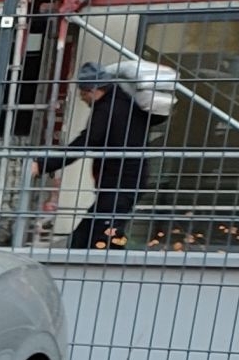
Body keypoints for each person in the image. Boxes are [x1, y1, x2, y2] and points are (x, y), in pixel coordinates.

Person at [37, 62, 157, 250]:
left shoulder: (108, 108)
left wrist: (44, 164)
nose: (82, 99)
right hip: (124, 181)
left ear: (93, 90)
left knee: (103, 237)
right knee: (90, 236)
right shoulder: (123, 101)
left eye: (83, 93)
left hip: (120, 183)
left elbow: (86, 141)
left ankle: (110, 273)